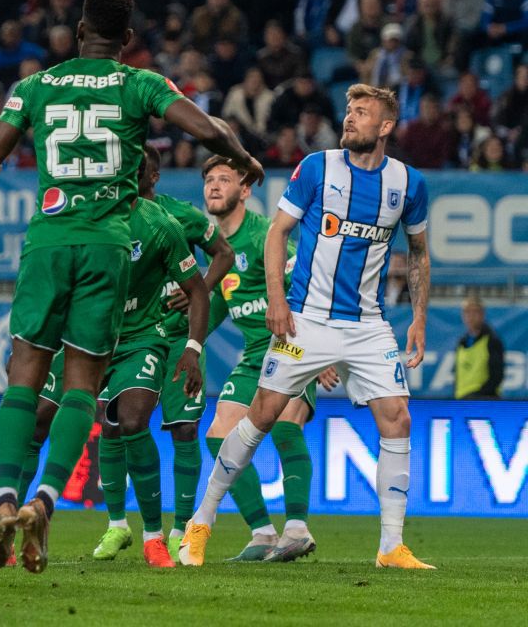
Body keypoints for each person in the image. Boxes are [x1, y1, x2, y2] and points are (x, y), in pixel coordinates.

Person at [0, 0, 263, 574]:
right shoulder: (140, 83)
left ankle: (3, 502)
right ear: (127, 39)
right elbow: (205, 130)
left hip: (48, 241)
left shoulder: (36, 85)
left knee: (25, 374)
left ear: (78, 31)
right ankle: (44, 502)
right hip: (107, 245)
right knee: (83, 382)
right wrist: (245, 158)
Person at [180, 84, 434, 571]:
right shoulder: (317, 167)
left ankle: (391, 547)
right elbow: (278, 232)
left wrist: (419, 318)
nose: (350, 118)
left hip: (368, 324)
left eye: (362, 112)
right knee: (261, 415)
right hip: (308, 319)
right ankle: (202, 521)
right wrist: (278, 300)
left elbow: (419, 253)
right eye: (349, 110)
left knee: (398, 418)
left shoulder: (408, 183)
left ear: (385, 126)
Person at [198, 154, 322, 563]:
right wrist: (185, 343)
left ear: (245, 190)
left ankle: (297, 529)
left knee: (286, 424)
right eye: (209, 179)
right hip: (255, 353)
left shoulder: (265, 235)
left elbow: (304, 285)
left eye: (224, 178)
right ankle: (264, 533)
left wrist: (322, 350)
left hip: (292, 344)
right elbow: (217, 305)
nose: (214, 185)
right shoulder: (218, 249)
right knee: (219, 434)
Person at [89, 183, 210, 569]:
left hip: (155, 337)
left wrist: (193, 346)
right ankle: (117, 525)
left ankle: (169, 532)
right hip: (103, 339)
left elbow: (216, 263)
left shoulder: (169, 220)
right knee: (108, 423)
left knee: (164, 425)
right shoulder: (88, 213)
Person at [136, 146, 234, 557]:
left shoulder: (181, 215)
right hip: (135, 336)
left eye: (137, 168)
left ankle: (180, 528)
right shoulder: (113, 218)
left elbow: (225, 253)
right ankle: (120, 524)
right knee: (124, 424)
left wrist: (200, 290)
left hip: (179, 337)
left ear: (153, 176)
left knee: (185, 429)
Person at [454, 296, 505, 399]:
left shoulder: (492, 341)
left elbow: (496, 376)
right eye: (467, 312)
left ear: (482, 314)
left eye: (475, 312)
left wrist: (479, 395)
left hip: (484, 400)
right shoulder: (462, 342)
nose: (470, 317)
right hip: (462, 399)